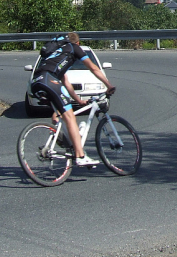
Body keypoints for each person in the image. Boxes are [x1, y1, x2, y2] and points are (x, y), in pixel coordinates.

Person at [30, 32, 115, 166]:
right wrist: (108, 85)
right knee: (70, 117)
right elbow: (93, 68)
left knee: (59, 113)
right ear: (78, 44)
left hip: (37, 82)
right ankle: (80, 155)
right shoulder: (73, 48)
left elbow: (67, 83)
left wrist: (79, 101)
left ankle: (64, 139)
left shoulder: (57, 54)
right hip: (49, 81)